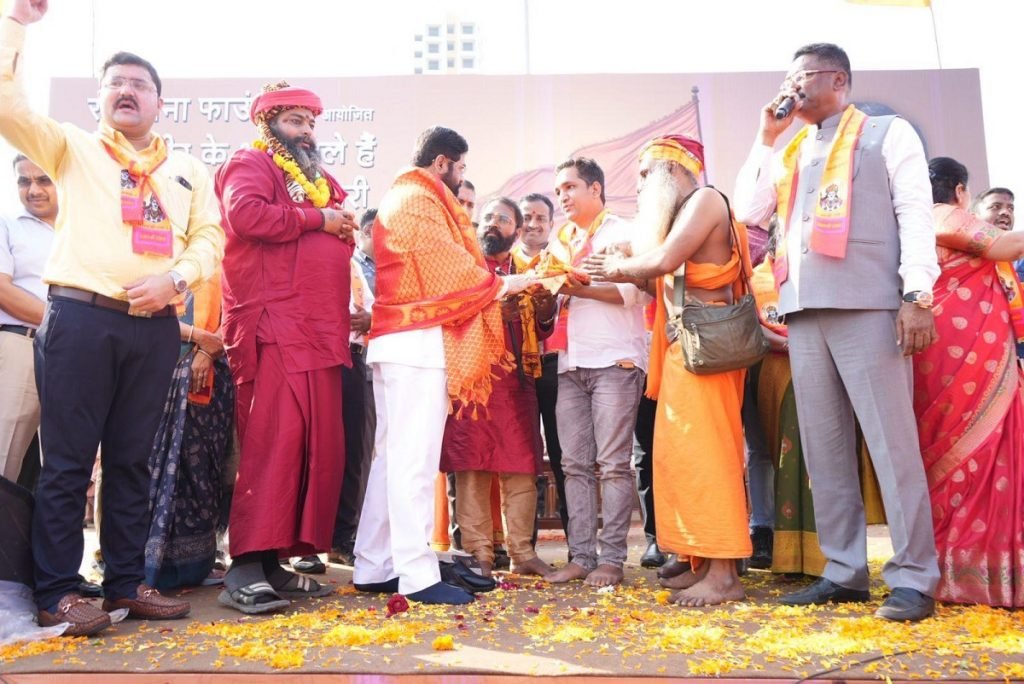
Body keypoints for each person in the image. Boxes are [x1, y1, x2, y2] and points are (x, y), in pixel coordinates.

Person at [0, 0, 223, 636]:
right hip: (80, 318)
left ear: (159, 102)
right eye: (116, 83)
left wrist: (175, 280)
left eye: (140, 84)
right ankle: (58, 592)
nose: (128, 91)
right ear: (99, 99)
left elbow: (209, 239)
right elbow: (6, 104)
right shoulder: (70, 146)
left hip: (154, 327)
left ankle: (127, 584)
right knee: (68, 462)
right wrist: (15, 23)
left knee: (132, 461)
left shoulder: (186, 170)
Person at [732, 42, 940, 621]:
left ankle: (914, 576)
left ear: (838, 80)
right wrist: (765, 137)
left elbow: (915, 215)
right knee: (824, 450)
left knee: (891, 446)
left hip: (870, 305)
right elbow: (747, 211)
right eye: (787, 79)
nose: (791, 89)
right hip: (803, 312)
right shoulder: (791, 148)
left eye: (801, 77)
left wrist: (917, 295)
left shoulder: (887, 133)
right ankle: (845, 570)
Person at [353, 126, 535, 605]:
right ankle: (416, 575)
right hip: (416, 345)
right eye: (460, 168)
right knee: (412, 462)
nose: (460, 177)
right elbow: (450, 271)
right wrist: (508, 284)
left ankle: (374, 564)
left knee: (392, 460)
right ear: (441, 163)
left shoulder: (408, 197)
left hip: (402, 344)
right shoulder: (418, 200)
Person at [584, 136, 751, 605]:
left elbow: (665, 260)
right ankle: (700, 558)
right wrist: (619, 267)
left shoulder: (706, 199)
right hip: (684, 349)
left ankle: (725, 574)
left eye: (645, 174)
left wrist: (619, 267)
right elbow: (658, 280)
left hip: (707, 350)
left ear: (673, 169)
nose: (638, 185)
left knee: (711, 458)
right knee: (683, 458)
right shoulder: (681, 215)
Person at [215, 82, 356, 614]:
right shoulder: (250, 163)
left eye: (311, 122)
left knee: (311, 447)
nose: (306, 130)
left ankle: (273, 562)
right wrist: (319, 220)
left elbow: (339, 222)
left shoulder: (317, 179)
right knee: (272, 443)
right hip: (273, 325)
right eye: (295, 120)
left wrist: (337, 225)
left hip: (316, 331)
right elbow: (247, 216)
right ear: (268, 124)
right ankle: (244, 566)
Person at [918, 157, 1024, 607]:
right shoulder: (945, 215)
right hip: (966, 364)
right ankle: (972, 571)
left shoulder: (915, 223)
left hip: (947, 358)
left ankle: (952, 567)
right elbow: (1007, 246)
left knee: (955, 456)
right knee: (977, 454)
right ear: (960, 191)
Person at [543, 157, 649, 588]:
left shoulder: (624, 233)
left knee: (613, 465)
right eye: (558, 191)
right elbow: (555, 302)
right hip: (569, 362)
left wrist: (576, 287)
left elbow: (635, 292)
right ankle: (581, 557)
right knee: (573, 465)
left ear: (595, 189)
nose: (563, 197)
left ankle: (612, 561)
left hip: (615, 360)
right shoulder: (559, 242)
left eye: (570, 187)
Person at [440, 197, 557, 578]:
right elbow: (450, 311)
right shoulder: (465, 266)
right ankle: (480, 554)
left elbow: (543, 328)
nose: (493, 223)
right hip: (473, 378)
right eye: (488, 216)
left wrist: (544, 308)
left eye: (503, 219)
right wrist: (490, 306)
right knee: (472, 464)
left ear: (517, 231)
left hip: (516, 380)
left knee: (521, 466)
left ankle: (522, 552)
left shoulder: (528, 271)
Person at [145, 274, 233, 590]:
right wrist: (198, 337)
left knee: (202, 472)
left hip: (216, 379)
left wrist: (209, 351)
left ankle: (198, 563)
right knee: (155, 467)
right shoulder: (160, 259)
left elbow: (236, 313)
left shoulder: (222, 262)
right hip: (161, 366)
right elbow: (142, 308)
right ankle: (143, 565)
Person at [0, 155, 55, 482]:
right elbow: (2, 290)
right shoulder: (7, 224)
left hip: (76, 353)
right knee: (4, 455)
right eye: (24, 181)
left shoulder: (84, 231)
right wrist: (68, 322)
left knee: (66, 464)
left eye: (43, 180)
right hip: (22, 345)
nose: (33, 190)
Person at [517, 193, 568, 537]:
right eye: (526, 217)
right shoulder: (505, 265)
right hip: (516, 371)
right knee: (522, 456)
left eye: (540, 218)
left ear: (551, 224)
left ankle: (578, 546)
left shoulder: (562, 263)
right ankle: (524, 546)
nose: (533, 224)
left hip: (555, 367)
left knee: (564, 455)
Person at [330, 208, 378, 568]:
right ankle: (311, 541)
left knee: (356, 452)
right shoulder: (333, 261)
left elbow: (369, 312)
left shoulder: (356, 269)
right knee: (321, 449)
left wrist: (372, 320)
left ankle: (343, 535)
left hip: (358, 358)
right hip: (325, 358)